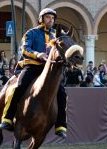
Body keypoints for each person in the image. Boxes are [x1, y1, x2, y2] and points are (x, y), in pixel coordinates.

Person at [0, 8, 67, 138]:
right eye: (48, 17)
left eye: (52, 18)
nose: (51, 20)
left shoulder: (54, 36)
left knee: (62, 93)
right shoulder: (31, 32)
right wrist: (38, 54)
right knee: (19, 87)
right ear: (41, 19)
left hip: (47, 70)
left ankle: (61, 125)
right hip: (32, 66)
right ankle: (7, 118)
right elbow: (24, 49)